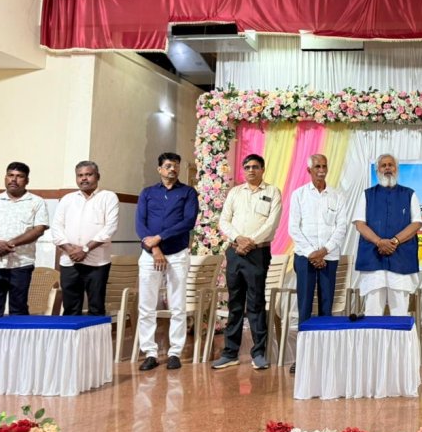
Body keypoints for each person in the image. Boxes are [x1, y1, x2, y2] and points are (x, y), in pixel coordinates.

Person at [212, 154, 282, 371]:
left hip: (258, 253)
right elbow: (224, 220)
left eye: (255, 167)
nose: (251, 170)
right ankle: (230, 353)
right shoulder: (235, 192)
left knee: (256, 303)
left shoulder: (272, 192)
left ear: (262, 169)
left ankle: (258, 353)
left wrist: (250, 242)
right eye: (247, 167)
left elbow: (272, 223)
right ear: (243, 170)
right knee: (235, 303)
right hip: (235, 253)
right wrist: (238, 239)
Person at [135, 152, 199, 371]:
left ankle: (175, 352)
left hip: (178, 254)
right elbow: (140, 225)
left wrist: (160, 238)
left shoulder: (188, 192)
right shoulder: (148, 193)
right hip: (149, 255)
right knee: (146, 306)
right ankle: (150, 352)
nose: (173, 169)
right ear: (159, 169)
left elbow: (188, 222)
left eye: (176, 166)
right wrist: (154, 248)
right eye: (169, 166)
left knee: (177, 305)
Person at [288, 154, 347, 374]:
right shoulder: (299, 195)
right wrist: (312, 253)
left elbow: (341, 228)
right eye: (317, 166)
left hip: (328, 257)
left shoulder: (337, 196)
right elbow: (294, 228)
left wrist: (323, 251)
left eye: (324, 166)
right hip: (305, 257)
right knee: (304, 305)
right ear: (309, 170)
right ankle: (303, 357)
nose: (321, 170)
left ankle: (325, 356)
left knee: (326, 306)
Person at [0, 162, 49, 318]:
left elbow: (38, 230)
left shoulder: (36, 202)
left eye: (19, 176)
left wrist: (10, 244)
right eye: (10, 175)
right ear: (5, 178)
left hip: (21, 263)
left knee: (19, 308)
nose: (14, 179)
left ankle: (18, 336)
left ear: (27, 180)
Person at [353, 154, 422, 316]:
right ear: (377, 170)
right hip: (373, 259)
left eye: (390, 165)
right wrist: (379, 242)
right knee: (372, 311)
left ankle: (399, 335)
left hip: (401, 259)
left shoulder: (409, 194)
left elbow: (416, 223)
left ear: (396, 169)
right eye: (383, 165)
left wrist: (394, 241)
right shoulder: (367, 194)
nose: (387, 168)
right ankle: (373, 335)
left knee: (400, 312)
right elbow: (360, 224)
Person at [51, 161, 120, 316]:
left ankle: (96, 334)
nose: (84, 178)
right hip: (69, 261)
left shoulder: (108, 197)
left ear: (98, 176)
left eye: (88, 174)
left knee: (96, 307)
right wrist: (70, 249)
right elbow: (56, 228)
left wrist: (85, 249)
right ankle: (71, 333)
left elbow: (110, 228)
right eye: (80, 175)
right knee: (70, 308)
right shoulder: (67, 199)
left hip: (97, 262)